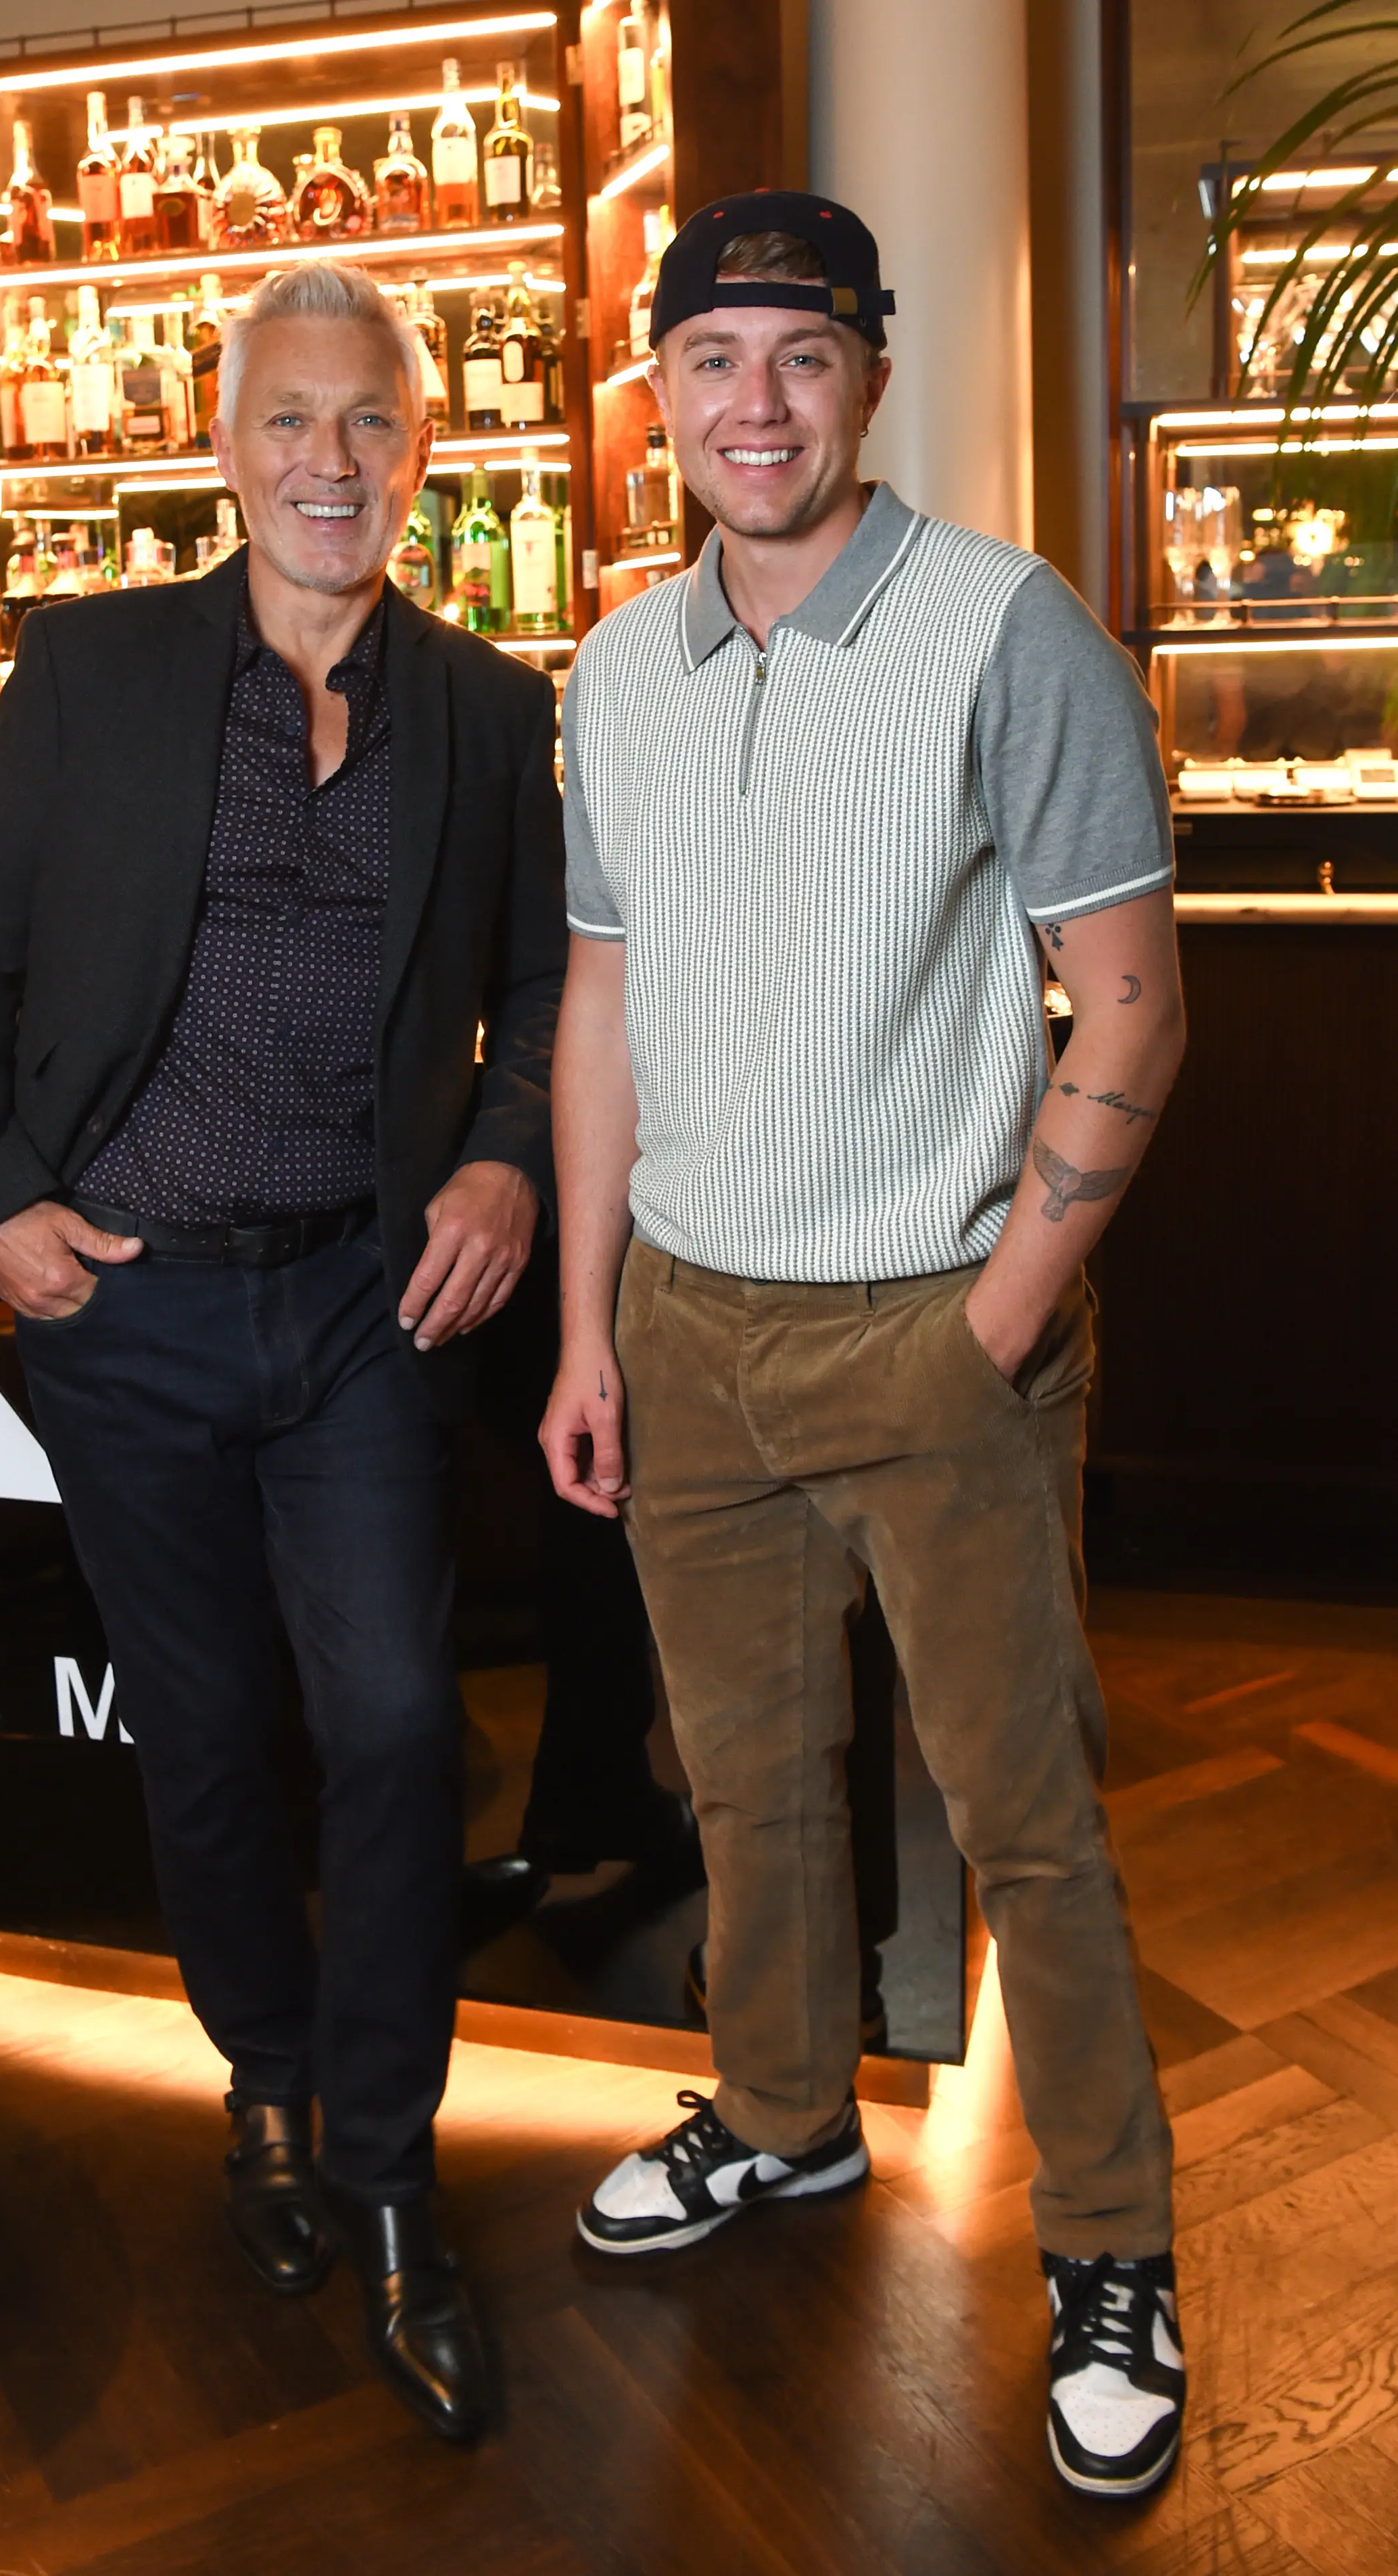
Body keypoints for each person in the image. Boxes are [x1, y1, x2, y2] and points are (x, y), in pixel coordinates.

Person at [539, 192, 1188, 2502]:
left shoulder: (1011, 633)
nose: (754, 405)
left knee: (1027, 1821)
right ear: (661, 392)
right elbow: (605, 1008)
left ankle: (1115, 2246)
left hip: (935, 1316)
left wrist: (997, 1320)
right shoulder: (616, 670)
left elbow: (1130, 998)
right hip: (690, 1320)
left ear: (869, 379)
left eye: (799, 358)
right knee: (745, 1780)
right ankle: (788, 2116)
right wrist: (593, 1327)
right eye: (711, 358)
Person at [0, 260, 567, 2446]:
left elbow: (548, 1000)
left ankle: (389, 2173)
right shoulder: (93, 670)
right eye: (288, 421)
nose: (328, 463)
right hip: (131, 1310)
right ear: (225, 448)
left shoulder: (486, 709)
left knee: (388, 1728)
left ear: (425, 454)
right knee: (204, 1740)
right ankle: (264, 2092)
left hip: (369, 1304)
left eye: (368, 425)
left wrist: (500, 1168)